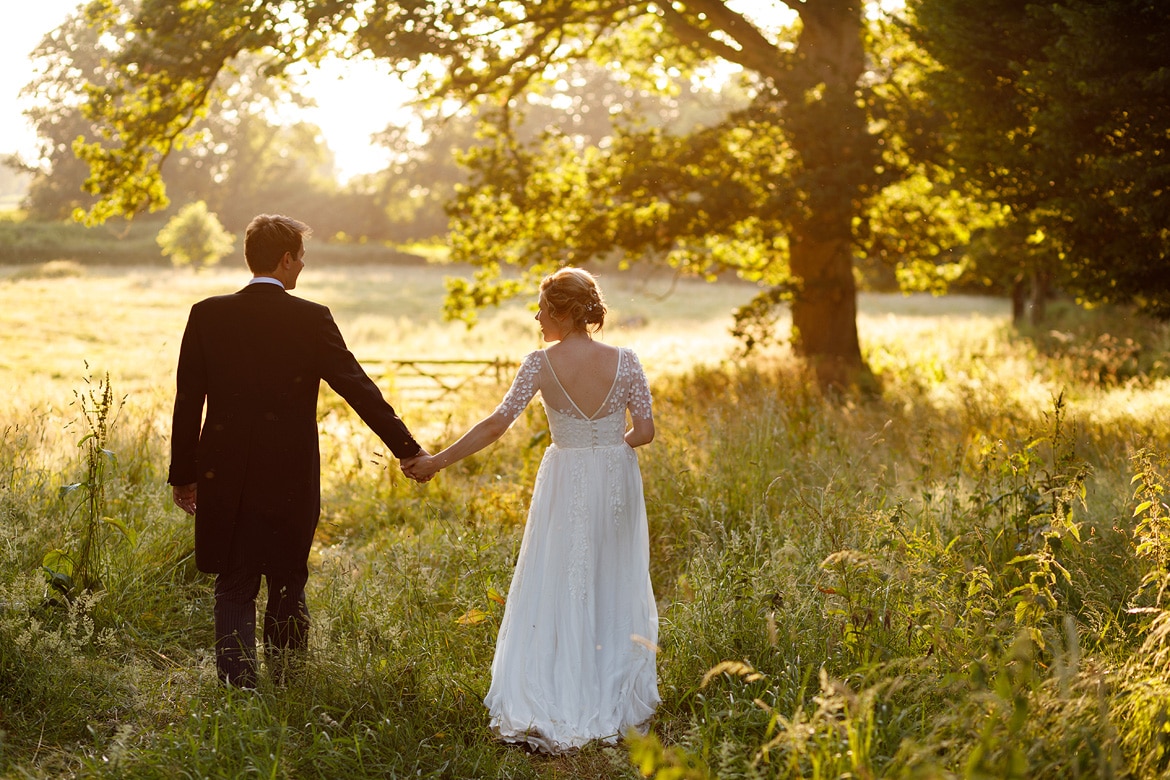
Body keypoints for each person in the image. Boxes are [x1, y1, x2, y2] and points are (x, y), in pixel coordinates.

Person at [406, 267, 660, 754]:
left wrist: (438, 460)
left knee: (563, 575)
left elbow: (497, 423)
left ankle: (560, 686)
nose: (537, 316)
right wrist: (610, 446)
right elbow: (645, 431)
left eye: (542, 308)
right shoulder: (627, 360)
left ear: (563, 313)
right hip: (616, 478)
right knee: (612, 574)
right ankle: (609, 689)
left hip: (565, 478)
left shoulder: (540, 364)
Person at [168, 214, 428, 689]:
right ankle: (289, 684)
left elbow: (188, 401)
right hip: (289, 475)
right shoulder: (311, 318)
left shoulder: (207, 314)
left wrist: (183, 474)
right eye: (301, 257)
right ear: (286, 259)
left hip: (222, 472)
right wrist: (407, 449)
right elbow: (358, 387)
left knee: (233, 579)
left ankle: (237, 689)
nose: (302, 266)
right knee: (287, 576)